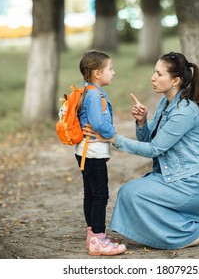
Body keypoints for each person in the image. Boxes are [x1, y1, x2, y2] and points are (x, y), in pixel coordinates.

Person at [85, 51, 199, 250]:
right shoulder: (167, 102)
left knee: (133, 194)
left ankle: (186, 234)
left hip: (192, 184)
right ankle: (183, 226)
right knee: (130, 193)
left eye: (159, 73)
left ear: (176, 81)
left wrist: (113, 139)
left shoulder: (185, 111)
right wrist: (142, 122)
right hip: (173, 177)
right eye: (154, 72)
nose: (153, 77)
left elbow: (154, 149)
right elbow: (150, 140)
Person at [74, 50, 126, 256]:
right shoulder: (95, 95)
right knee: (100, 196)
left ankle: (92, 236)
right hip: (93, 152)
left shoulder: (87, 91)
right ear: (97, 73)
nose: (113, 72)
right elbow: (97, 122)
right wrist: (112, 134)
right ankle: (98, 239)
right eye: (110, 69)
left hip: (85, 151)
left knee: (91, 195)